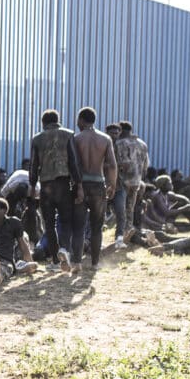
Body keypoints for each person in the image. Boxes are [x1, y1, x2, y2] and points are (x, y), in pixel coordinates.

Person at [29, 109, 80, 271]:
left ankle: (55, 262)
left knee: (49, 224)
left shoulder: (37, 139)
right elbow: (73, 162)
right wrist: (78, 184)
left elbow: (33, 165)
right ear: (58, 120)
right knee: (66, 221)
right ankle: (64, 249)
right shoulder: (68, 134)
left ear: (43, 123)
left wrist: (32, 185)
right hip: (64, 184)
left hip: (46, 186)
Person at [69, 107, 117, 273]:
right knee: (97, 227)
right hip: (98, 185)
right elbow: (112, 164)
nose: (76, 123)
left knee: (79, 226)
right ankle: (95, 263)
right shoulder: (105, 139)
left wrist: (77, 187)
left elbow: (74, 166)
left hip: (81, 185)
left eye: (77, 120)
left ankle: (76, 262)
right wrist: (112, 184)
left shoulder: (76, 139)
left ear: (82, 120)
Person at [113, 121, 150, 248]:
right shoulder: (142, 144)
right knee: (130, 209)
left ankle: (120, 236)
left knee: (120, 210)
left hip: (122, 181)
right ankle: (127, 234)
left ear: (122, 130)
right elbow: (146, 166)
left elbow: (116, 163)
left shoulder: (119, 143)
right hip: (136, 181)